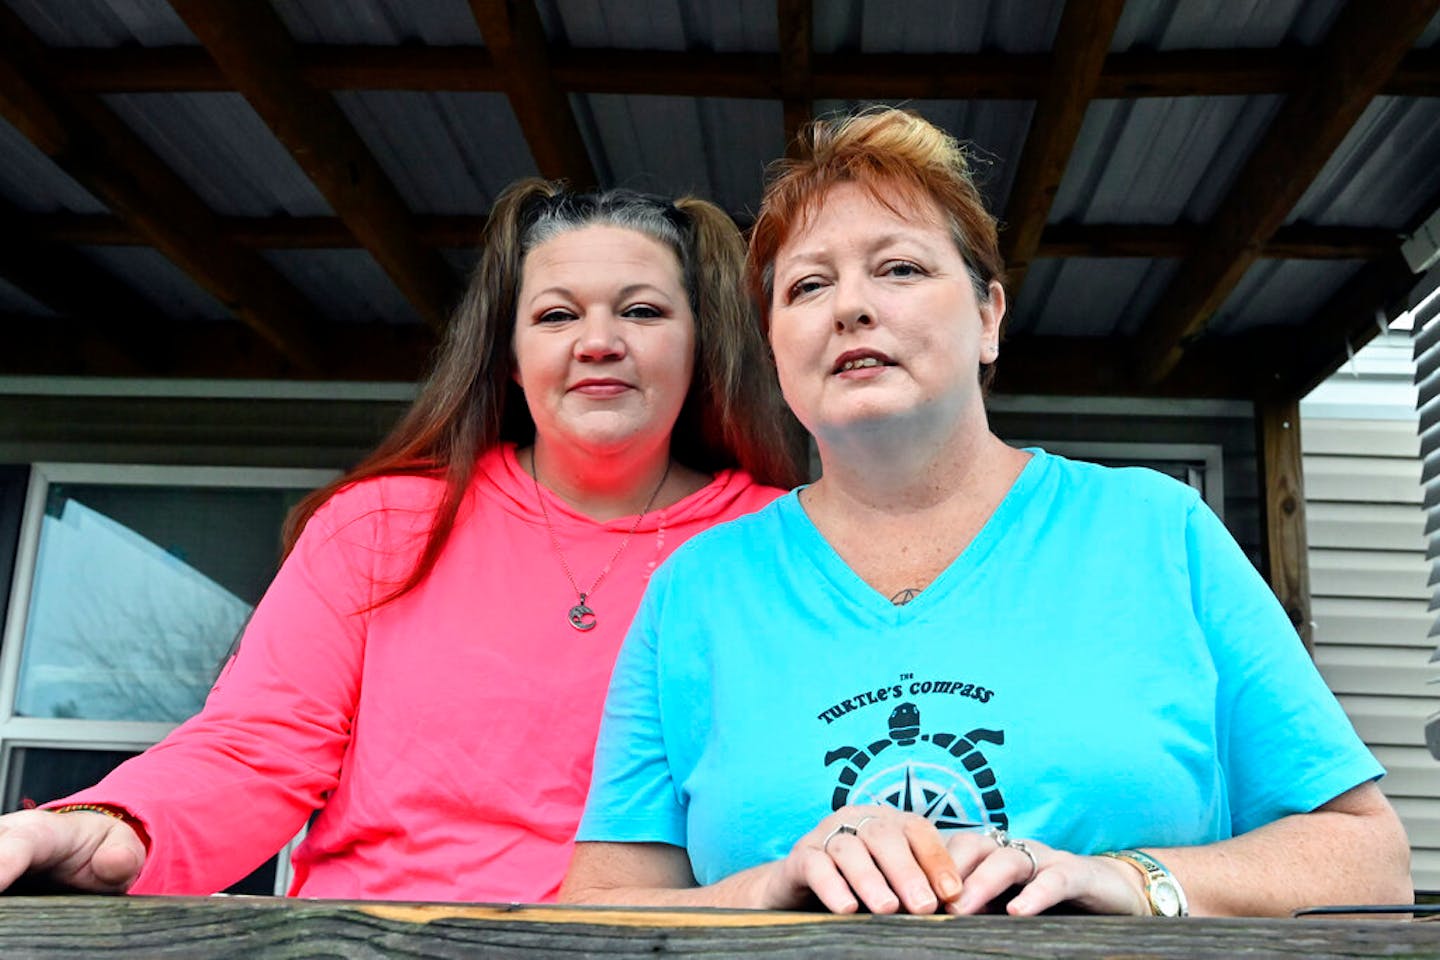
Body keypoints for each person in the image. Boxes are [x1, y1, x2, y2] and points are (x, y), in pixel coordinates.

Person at [560, 109, 1413, 918]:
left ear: (989, 317)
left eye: (900, 268)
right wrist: (765, 888)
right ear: (775, 345)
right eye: (809, 285)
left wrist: (1131, 879)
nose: (852, 306)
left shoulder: (1158, 532)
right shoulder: (697, 594)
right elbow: (594, 910)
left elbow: (1369, 860)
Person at [0, 179, 807, 902]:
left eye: (642, 310)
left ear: (701, 347)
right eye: (556, 314)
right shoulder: (379, 526)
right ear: (512, 362)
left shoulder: (783, 540)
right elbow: (257, 748)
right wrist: (110, 823)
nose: (597, 341)